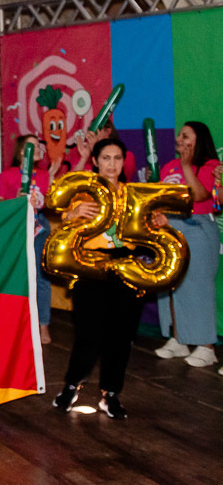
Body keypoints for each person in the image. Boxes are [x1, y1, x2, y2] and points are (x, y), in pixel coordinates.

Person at [52, 137, 159, 419]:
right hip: (91, 267)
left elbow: (151, 226)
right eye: (106, 158)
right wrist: (73, 213)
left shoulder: (133, 193)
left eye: (117, 158)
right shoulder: (85, 192)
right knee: (88, 333)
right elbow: (64, 219)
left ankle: (110, 393)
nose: (112, 164)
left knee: (122, 334)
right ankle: (72, 385)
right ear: (96, 161)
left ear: (124, 162)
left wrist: (158, 222)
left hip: (126, 267)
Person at [153, 121, 220, 369]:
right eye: (179, 135)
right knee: (171, 285)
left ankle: (207, 347)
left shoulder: (209, 166)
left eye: (186, 136)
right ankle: (179, 338)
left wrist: (186, 165)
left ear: (198, 140)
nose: (179, 139)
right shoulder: (168, 166)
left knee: (197, 286)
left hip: (197, 226)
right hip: (169, 226)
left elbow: (200, 195)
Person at [0, 134, 54, 344]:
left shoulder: (45, 175)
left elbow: (51, 202)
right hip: (16, 228)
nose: (38, 149)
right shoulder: (8, 175)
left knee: (41, 277)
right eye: (33, 146)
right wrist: (16, 200)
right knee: (15, 275)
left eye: (39, 145)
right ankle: (15, 324)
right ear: (22, 151)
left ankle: (43, 325)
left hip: (39, 226)